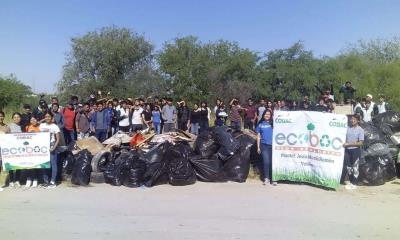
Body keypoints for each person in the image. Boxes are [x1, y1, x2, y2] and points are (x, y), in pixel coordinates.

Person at [342, 115, 364, 190]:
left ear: (358, 121)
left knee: (355, 167)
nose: (352, 120)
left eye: (354, 119)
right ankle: (351, 181)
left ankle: (354, 183)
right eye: (351, 119)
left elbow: (360, 143)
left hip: (355, 150)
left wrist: (349, 144)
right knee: (348, 167)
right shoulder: (348, 128)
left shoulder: (360, 130)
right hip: (347, 150)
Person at [39, 111, 61, 188]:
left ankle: (52, 182)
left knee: (53, 164)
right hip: (43, 146)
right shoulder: (41, 125)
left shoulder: (55, 126)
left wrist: (53, 148)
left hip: (52, 145)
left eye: (49, 116)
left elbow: (58, 139)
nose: (47, 118)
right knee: (44, 164)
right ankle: (45, 181)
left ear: (52, 117)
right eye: (46, 116)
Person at [256, 110, 277, 186]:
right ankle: (266, 178)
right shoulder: (260, 124)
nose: (267, 115)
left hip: (273, 146)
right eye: (266, 114)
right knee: (266, 162)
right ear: (263, 115)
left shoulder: (273, 123)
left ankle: (274, 179)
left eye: (269, 114)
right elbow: (258, 136)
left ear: (271, 115)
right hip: (264, 145)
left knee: (272, 162)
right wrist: (258, 147)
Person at [25, 116, 41, 188]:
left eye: (34, 119)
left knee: (36, 165)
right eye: (31, 120)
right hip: (29, 149)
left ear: (37, 120)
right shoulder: (27, 127)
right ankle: (29, 179)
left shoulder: (40, 127)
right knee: (29, 165)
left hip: (37, 149)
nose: (33, 120)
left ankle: (35, 179)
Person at [9, 112, 23, 188]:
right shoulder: (9, 126)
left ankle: (17, 180)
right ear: (12, 118)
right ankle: (11, 181)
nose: (17, 118)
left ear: (20, 118)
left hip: (20, 149)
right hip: (11, 149)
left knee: (18, 165)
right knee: (11, 166)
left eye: (18, 117)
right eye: (15, 117)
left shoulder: (22, 126)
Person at [0, 111, 10, 191]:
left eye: (2, 116)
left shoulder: (7, 127)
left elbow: (10, 139)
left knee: (4, 167)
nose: (1, 117)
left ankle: (2, 184)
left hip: (4, 149)